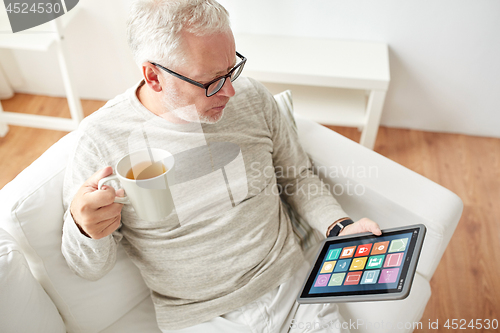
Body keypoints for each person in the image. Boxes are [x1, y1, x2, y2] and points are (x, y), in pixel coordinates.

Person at [61, 0, 382, 332]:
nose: (230, 90)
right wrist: (84, 228)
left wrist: (340, 227)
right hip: (201, 318)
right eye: (212, 80)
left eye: (231, 69)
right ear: (153, 76)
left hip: (292, 288)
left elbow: (297, 177)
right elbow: (88, 268)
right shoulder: (101, 141)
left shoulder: (251, 97)